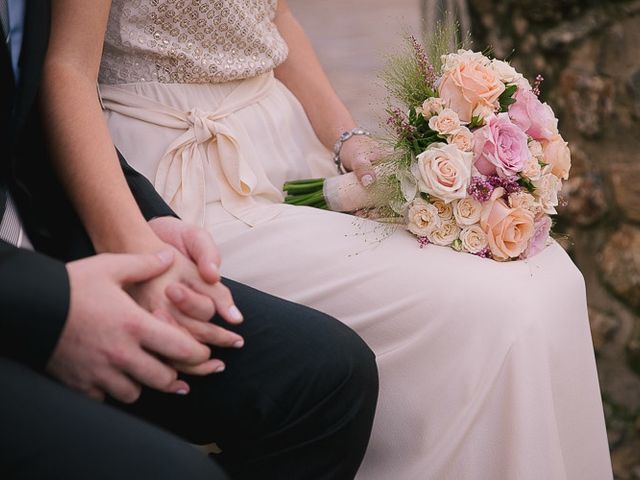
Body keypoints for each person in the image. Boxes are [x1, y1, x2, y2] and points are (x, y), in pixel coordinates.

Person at [47, 0, 612, 478]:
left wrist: (347, 139)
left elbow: (275, 18)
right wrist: (141, 254)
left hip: (285, 152)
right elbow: (66, 70)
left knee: (548, 278)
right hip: (184, 190)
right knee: (497, 306)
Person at [1, 1, 379, 479]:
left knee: (335, 374)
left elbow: (276, 17)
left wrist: (148, 226)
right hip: (180, 170)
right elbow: (65, 72)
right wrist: (72, 290)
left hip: (259, 158)